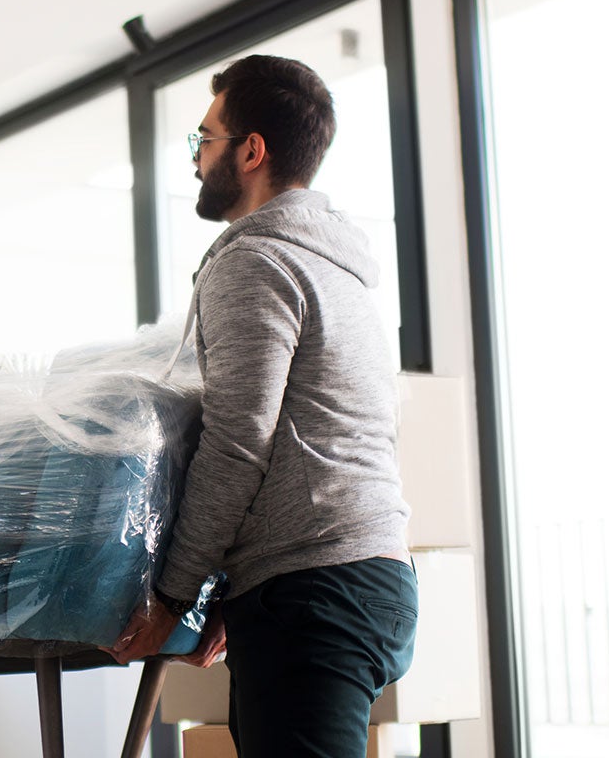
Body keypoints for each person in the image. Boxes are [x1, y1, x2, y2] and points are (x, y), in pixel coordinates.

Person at [108, 55, 417, 757]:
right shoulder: (335, 266)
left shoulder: (255, 262)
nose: (194, 159)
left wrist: (174, 596)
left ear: (251, 151)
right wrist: (234, 586)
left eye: (204, 140)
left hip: (315, 592)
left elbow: (238, 441)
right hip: (354, 577)